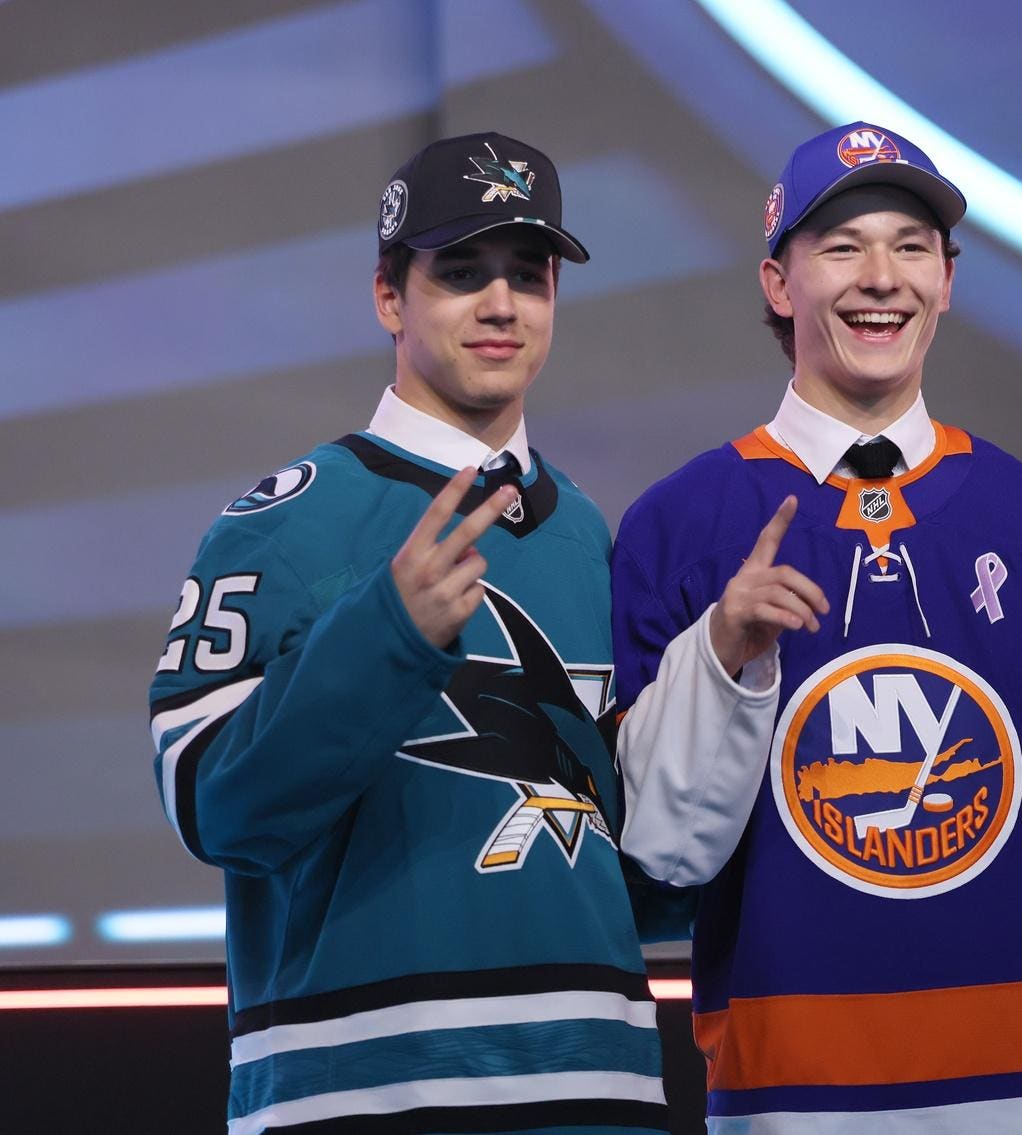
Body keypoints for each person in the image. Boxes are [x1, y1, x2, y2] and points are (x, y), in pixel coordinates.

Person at [148, 132, 668, 1134]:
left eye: (528, 274)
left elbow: (624, 860)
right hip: (359, 1092)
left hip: (594, 1088)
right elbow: (213, 807)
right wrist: (387, 633)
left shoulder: (587, 533)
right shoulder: (285, 522)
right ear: (390, 296)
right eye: (461, 273)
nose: (501, 304)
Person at [612, 122, 1022, 1132]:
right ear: (777, 283)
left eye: (911, 247)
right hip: (791, 1087)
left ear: (947, 281)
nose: (881, 278)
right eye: (841, 247)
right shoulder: (678, 522)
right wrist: (720, 653)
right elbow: (660, 849)